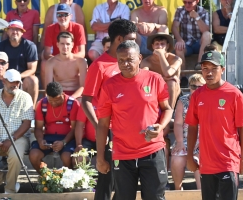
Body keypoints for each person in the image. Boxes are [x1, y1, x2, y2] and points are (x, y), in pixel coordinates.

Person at [96, 41, 173, 200]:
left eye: (130, 59)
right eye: (121, 60)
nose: (125, 64)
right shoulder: (109, 86)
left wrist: (160, 127)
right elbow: (103, 124)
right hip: (123, 154)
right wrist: (100, 158)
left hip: (152, 151)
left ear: (139, 58)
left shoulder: (155, 79)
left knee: (155, 197)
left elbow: (167, 109)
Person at [82, 19, 137, 200]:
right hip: (110, 131)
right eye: (131, 39)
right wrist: (100, 128)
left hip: (129, 132)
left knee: (126, 181)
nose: (135, 43)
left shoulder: (132, 63)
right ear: (119, 39)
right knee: (106, 180)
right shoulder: (99, 65)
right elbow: (86, 100)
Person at [185, 51, 243, 200]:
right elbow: (192, 127)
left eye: (214, 68)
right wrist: (189, 157)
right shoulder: (197, 95)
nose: (209, 72)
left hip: (228, 161)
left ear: (222, 70)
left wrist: (242, 157)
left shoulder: (235, 94)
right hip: (206, 164)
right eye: (205, 68)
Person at [29, 82, 78, 172]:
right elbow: (38, 128)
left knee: (67, 157)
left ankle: (68, 180)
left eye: (57, 99)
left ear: (62, 94)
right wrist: (40, 141)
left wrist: (63, 142)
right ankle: (48, 179)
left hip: (68, 138)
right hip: (48, 137)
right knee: (34, 154)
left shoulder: (73, 103)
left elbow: (75, 128)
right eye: (51, 100)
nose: (54, 103)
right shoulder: (42, 103)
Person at [0, 20, 39, 108]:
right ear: (7, 31)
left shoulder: (30, 46)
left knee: (33, 80)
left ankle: (31, 111)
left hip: (22, 79)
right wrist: (7, 78)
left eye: (17, 30)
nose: (14, 32)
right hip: (4, 78)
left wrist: (16, 77)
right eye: (12, 29)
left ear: (22, 32)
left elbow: (32, 69)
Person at [171, 73, 205, 190]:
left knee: (199, 161)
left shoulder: (209, 100)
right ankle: (178, 190)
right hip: (185, 138)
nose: (196, 89)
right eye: (193, 86)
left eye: (199, 87)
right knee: (176, 160)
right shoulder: (183, 100)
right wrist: (180, 141)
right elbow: (178, 123)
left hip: (204, 139)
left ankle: (202, 193)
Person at [41, 3, 86, 89]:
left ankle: (81, 93)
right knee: (43, 64)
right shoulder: (50, 28)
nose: (62, 17)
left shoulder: (79, 28)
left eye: (65, 14)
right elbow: (46, 53)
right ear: (56, 16)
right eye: (59, 15)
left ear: (71, 16)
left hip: (74, 59)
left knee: (84, 63)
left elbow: (82, 53)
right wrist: (59, 59)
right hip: (56, 59)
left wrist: (67, 58)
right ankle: (46, 93)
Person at [141, 32, 182, 109]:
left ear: (167, 46)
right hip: (154, 89)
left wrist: (161, 55)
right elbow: (144, 78)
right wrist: (163, 79)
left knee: (171, 82)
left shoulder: (176, 59)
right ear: (153, 46)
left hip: (173, 90)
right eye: (157, 44)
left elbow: (168, 73)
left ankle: (169, 112)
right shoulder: (146, 61)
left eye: (162, 44)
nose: (159, 46)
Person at [45, 32, 87, 99]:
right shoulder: (51, 62)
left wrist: (71, 98)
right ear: (57, 44)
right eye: (62, 44)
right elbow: (48, 87)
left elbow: (83, 86)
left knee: (82, 101)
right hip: (58, 95)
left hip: (76, 95)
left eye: (68, 44)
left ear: (72, 45)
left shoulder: (80, 61)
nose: (65, 47)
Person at [172, 0, 211, 71]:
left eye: (189, 2)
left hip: (199, 44)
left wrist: (197, 17)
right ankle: (183, 76)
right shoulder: (180, 10)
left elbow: (205, 30)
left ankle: (199, 63)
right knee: (178, 48)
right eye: (184, 2)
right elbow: (174, 27)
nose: (187, 4)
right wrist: (179, 40)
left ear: (197, 1)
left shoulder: (203, 12)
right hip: (186, 43)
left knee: (207, 35)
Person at [73, 98, 98, 167]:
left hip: (107, 141)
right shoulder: (87, 101)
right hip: (89, 141)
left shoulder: (111, 100)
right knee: (77, 159)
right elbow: (80, 124)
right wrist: (79, 144)